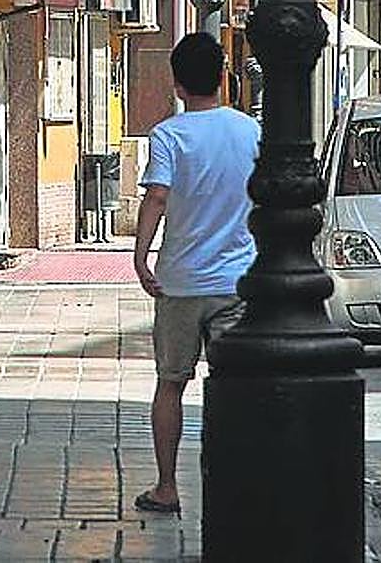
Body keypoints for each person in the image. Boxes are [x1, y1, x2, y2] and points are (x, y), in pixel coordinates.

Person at [132, 32, 261, 515]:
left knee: (171, 382)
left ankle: (166, 486)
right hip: (237, 280)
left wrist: (141, 256)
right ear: (224, 78)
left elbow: (157, 196)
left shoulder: (169, 135)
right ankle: (237, 482)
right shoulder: (250, 131)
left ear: (178, 84)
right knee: (235, 385)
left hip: (181, 281)